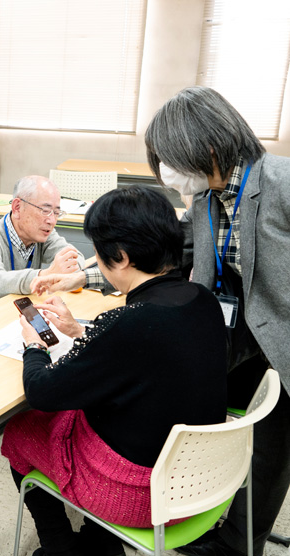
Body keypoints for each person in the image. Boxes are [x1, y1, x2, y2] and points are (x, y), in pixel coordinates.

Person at [32, 87, 290, 556]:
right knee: (201, 424)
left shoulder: (282, 184)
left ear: (207, 147)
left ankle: (237, 545)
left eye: (169, 159)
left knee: (272, 450)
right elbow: (159, 251)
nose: (166, 172)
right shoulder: (207, 201)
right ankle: (191, 506)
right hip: (238, 335)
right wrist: (86, 275)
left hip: (283, 338)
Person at [4, 186, 228, 556]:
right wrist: (80, 332)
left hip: (143, 496)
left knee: (21, 431)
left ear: (120, 258)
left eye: (98, 253)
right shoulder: (201, 299)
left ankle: (61, 548)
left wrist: (33, 345)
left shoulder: (130, 323)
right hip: (201, 478)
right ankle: (98, 542)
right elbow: (149, 357)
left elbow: (42, 393)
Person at [0, 175, 83, 319]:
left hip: (10, 317)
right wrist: (44, 276)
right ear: (17, 207)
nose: (52, 220)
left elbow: (75, 256)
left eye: (56, 213)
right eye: (45, 210)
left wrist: (68, 268)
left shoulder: (43, 233)